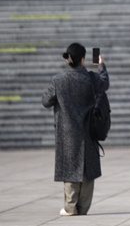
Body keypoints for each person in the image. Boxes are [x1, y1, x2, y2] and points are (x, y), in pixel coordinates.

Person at [42, 43, 109, 216]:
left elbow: (46, 101)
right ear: (82, 59)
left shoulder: (58, 80)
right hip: (88, 130)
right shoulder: (92, 78)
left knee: (70, 168)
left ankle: (70, 207)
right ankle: (83, 207)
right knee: (88, 169)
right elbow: (105, 84)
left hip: (67, 132)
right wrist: (101, 65)